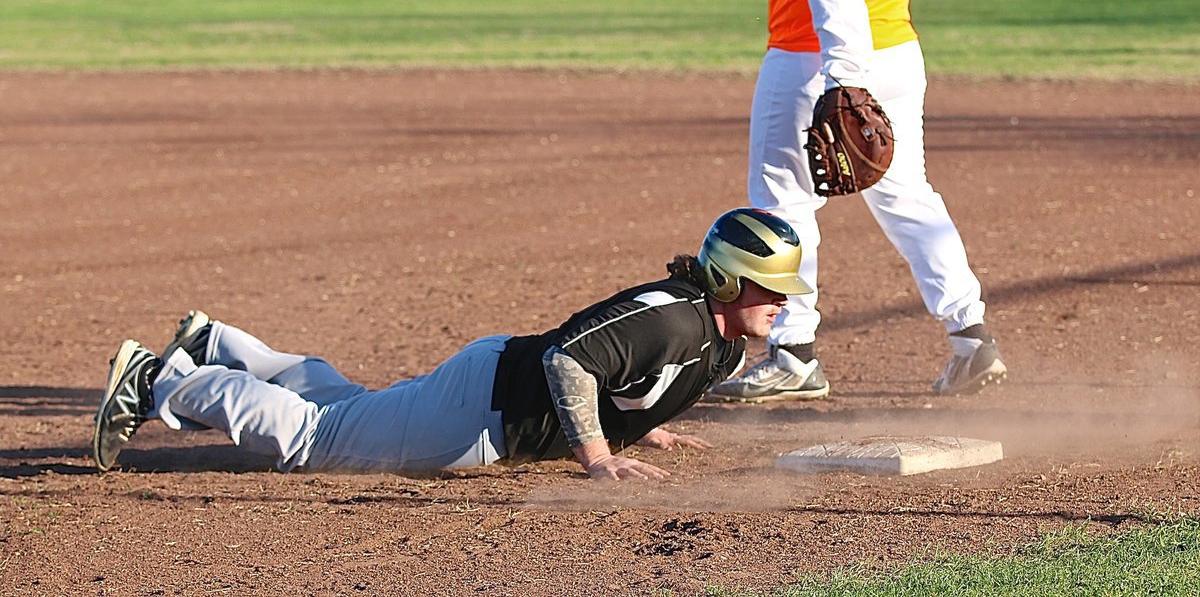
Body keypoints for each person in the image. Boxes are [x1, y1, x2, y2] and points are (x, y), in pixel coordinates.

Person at [93, 208, 810, 480]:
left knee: (348, 409)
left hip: (485, 391)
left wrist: (637, 426)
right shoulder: (672, 319)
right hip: (480, 413)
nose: (782, 302)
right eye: (769, 288)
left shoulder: (720, 342)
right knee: (316, 440)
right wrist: (597, 456)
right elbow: (568, 358)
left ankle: (219, 344)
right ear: (726, 280)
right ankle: (161, 381)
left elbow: (624, 374)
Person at [709, 0, 1006, 403]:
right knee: (909, 197)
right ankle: (970, 336)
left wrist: (843, 79)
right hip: (897, 49)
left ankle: (793, 352)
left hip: (814, 57)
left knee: (783, 203)